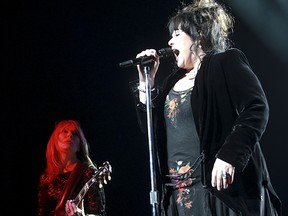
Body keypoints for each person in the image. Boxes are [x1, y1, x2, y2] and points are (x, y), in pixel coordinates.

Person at [129, 0, 282, 215]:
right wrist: (147, 84)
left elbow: (256, 108)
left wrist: (230, 155)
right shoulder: (172, 82)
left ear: (199, 35)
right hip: (178, 195)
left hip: (217, 191)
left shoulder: (224, 62)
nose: (169, 41)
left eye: (177, 34)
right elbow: (152, 132)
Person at [37, 119, 108, 216]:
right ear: (55, 141)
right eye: (65, 131)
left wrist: (81, 215)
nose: (70, 135)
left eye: (75, 134)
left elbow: (100, 213)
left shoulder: (89, 173)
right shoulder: (46, 177)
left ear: (79, 146)